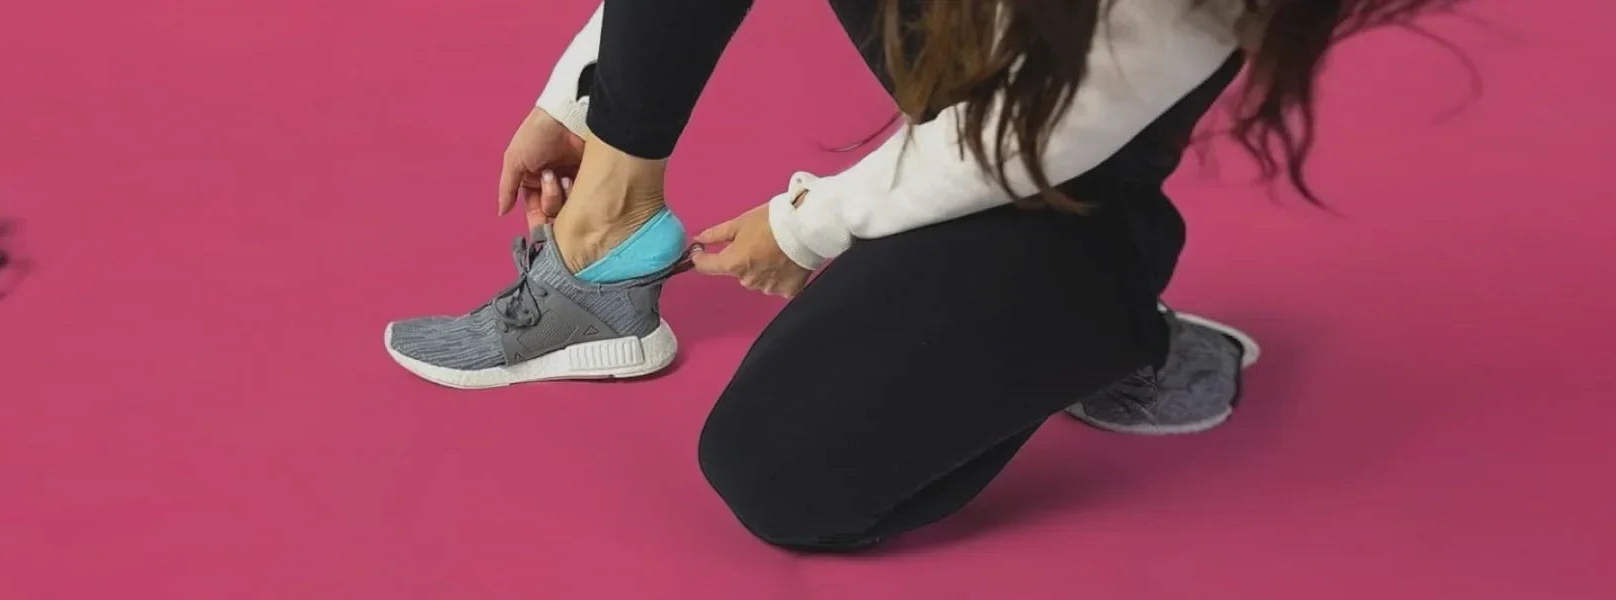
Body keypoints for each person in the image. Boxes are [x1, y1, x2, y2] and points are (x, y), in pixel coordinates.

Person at [384, 0, 1451, 551]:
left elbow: (1029, 132)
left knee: (779, 476)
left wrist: (809, 226)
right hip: (990, 47)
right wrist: (587, 101)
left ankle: (1105, 297)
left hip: (1053, 141)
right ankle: (603, 242)